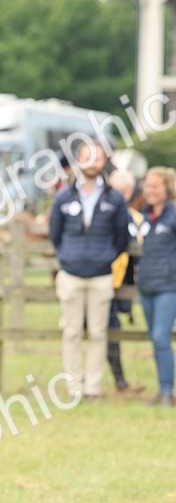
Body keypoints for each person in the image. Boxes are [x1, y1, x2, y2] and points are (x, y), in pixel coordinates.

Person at [47, 140, 129, 400]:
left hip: (101, 276)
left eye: (98, 158)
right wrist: (67, 256)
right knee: (71, 333)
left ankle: (93, 387)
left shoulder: (115, 198)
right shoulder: (63, 196)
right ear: (78, 160)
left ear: (104, 161)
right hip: (70, 274)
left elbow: (122, 237)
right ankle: (74, 386)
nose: (93, 163)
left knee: (98, 333)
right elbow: (55, 233)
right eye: (87, 157)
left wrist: (105, 257)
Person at [136, 166, 176, 407]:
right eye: (147, 186)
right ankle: (162, 389)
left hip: (169, 286)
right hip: (147, 285)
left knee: (161, 337)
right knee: (155, 338)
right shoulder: (145, 215)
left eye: (155, 186)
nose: (149, 190)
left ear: (167, 188)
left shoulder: (173, 215)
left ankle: (167, 391)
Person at [106, 168, 144, 394]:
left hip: (120, 281)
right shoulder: (106, 213)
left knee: (112, 329)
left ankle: (120, 380)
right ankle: (117, 379)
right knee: (105, 330)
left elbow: (136, 249)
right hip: (102, 277)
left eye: (124, 191)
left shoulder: (134, 218)